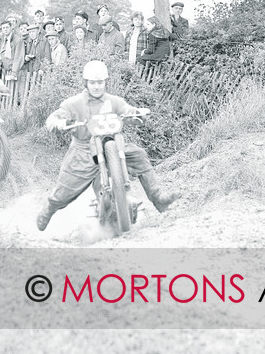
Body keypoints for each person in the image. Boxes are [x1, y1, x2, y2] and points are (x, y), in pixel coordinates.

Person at [36, 60, 180, 231]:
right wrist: (60, 123)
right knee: (64, 193)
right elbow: (54, 118)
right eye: (92, 82)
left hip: (113, 145)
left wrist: (137, 114)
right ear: (86, 83)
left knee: (139, 154)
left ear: (105, 82)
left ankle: (158, 198)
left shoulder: (114, 101)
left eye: (100, 82)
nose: (96, 86)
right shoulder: (74, 103)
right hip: (83, 150)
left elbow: (128, 110)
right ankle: (49, 209)